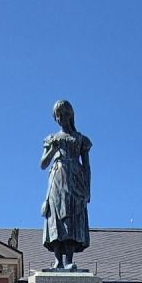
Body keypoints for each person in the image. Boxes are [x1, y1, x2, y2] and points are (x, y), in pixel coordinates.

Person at [40, 100, 92, 270]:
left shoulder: (80, 139)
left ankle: (68, 260)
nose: (61, 117)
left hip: (75, 180)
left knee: (71, 216)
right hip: (57, 178)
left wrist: (87, 190)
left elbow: (87, 166)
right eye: (58, 114)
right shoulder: (51, 139)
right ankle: (58, 260)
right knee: (55, 216)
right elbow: (43, 164)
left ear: (71, 115)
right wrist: (53, 150)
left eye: (64, 113)